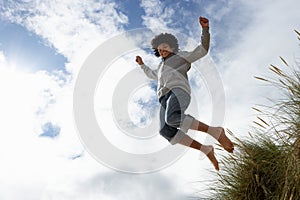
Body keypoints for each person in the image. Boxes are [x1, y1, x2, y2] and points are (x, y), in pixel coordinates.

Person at [135, 16, 234, 171]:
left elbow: (202, 50)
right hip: (163, 99)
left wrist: (205, 30)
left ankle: (215, 131)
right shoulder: (160, 66)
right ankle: (205, 149)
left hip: (178, 90)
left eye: (165, 46)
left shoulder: (181, 56)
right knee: (165, 130)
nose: (162, 50)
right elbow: (152, 74)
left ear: (172, 47)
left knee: (173, 118)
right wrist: (142, 65)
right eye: (160, 49)